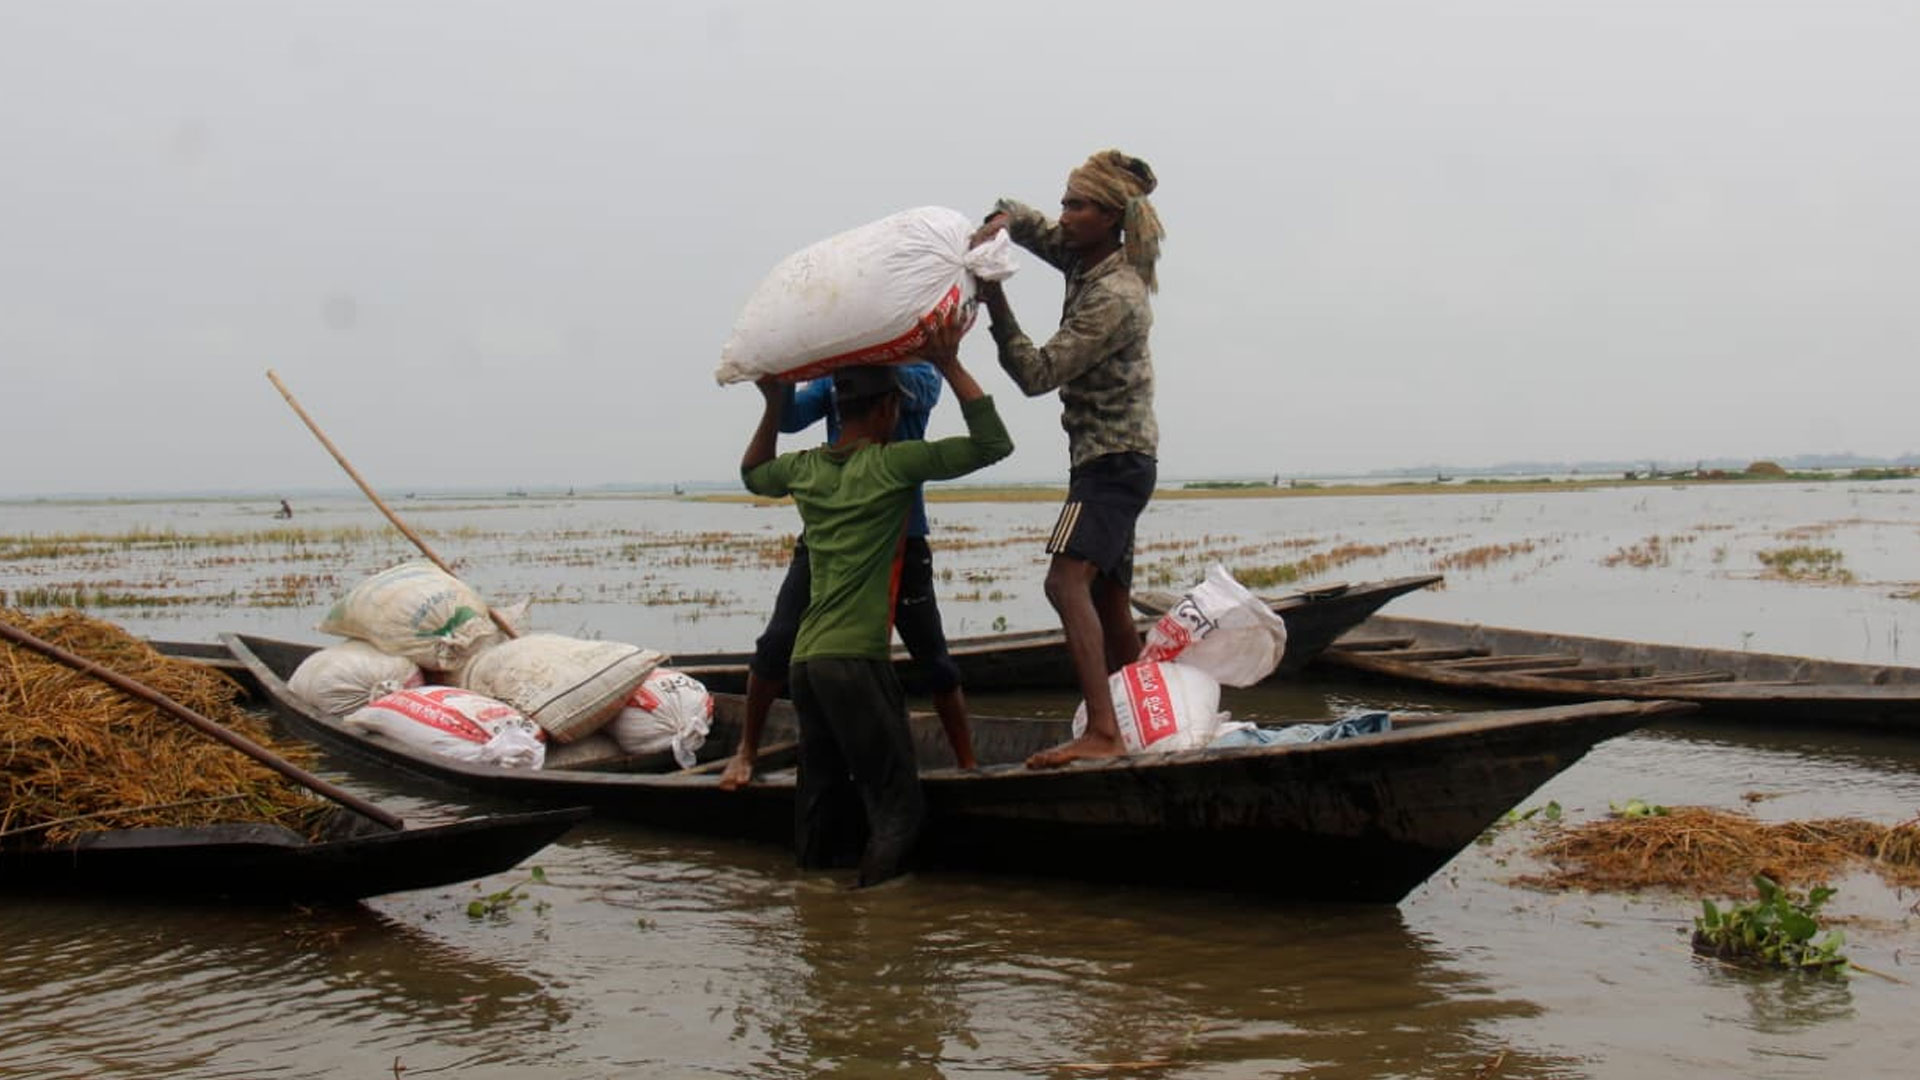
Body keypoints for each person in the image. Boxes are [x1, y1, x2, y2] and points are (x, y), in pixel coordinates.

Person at [737, 311, 1012, 885]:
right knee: (898, 808)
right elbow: (993, 443)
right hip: (856, 663)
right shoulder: (895, 467)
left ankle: (816, 916)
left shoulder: (806, 470)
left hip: (806, 668)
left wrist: (770, 403)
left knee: (821, 795)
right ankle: (875, 919)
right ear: (890, 410)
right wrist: (952, 360)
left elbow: (754, 472)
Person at [971, 149, 1164, 770]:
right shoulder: (1087, 259)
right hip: (1115, 460)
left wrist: (995, 302)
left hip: (1111, 463)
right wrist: (1003, 218)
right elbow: (1036, 230)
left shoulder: (1114, 295)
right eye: (1064, 201)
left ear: (1109, 218)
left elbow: (1038, 373)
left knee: (1064, 582)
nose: (1064, 215)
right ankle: (1139, 717)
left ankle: (1104, 732)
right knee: (1108, 597)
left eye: (1076, 205)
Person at [721, 357, 977, 795]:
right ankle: (746, 749)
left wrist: (856, 362)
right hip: (831, 536)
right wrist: (775, 387)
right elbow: (791, 418)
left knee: (933, 657)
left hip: (902, 535)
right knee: (778, 642)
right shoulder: (836, 376)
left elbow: (921, 393)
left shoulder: (918, 370)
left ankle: (968, 763)